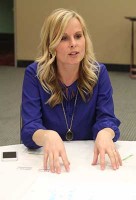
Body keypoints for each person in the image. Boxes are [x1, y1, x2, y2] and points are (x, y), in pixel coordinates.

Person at [21, 8, 122, 174]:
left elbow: (107, 118)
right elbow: (30, 127)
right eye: (63, 38)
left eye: (78, 36)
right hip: (51, 163)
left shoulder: (99, 73)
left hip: (88, 162)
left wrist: (105, 133)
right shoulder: (35, 74)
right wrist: (47, 136)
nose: (73, 43)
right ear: (51, 44)